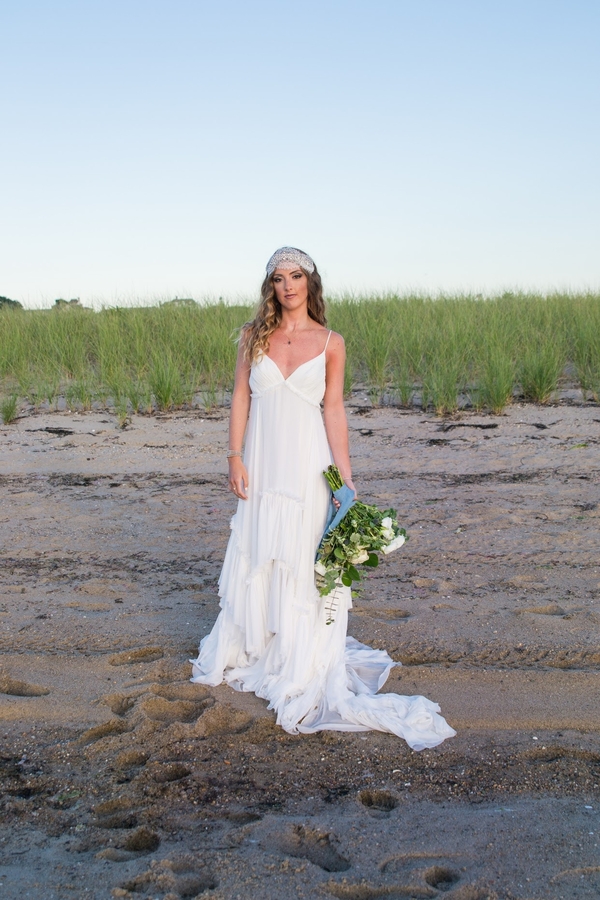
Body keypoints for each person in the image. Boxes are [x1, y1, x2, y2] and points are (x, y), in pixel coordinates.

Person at [191, 247, 455, 750]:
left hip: (309, 465)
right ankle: (261, 644)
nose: (287, 285)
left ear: (311, 283)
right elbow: (241, 397)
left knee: (302, 556)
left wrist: (345, 480)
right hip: (263, 464)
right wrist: (234, 456)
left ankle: (301, 654)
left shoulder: (332, 342)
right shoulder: (253, 336)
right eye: (278, 277)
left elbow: (333, 409)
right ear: (270, 286)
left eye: (296, 276)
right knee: (260, 551)